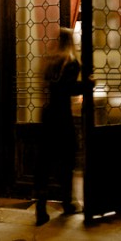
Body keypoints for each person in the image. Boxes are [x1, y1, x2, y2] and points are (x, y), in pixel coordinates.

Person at [34, 27, 92, 226]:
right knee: (67, 160)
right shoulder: (70, 61)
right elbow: (69, 89)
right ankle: (67, 203)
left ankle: (41, 208)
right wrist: (89, 84)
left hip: (47, 115)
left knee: (45, 162)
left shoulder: (49, 61)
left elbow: (48, 87)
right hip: (62, 116)